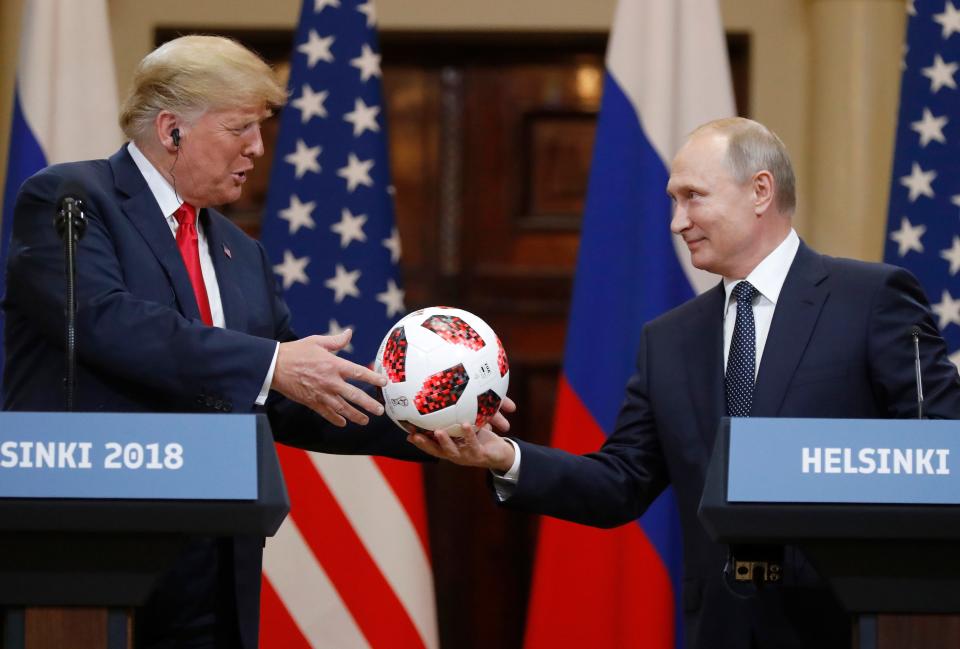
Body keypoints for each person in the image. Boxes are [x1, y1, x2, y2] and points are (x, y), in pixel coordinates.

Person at [1, 35, 508, 649]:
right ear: (171, 130)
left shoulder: (242, 253)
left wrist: (426, 421)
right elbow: (109, 322)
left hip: (219, 552)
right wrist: (272, 361)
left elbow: (291, 395)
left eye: (260, 128)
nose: (258, 148)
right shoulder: (72, 200)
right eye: (240, 128)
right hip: (94, 548)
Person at [409, 117, 960, 649]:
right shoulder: (669, 340)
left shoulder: (870, 300)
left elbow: (941, 453)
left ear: (760, 191)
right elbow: (619, 483)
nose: (677, 221)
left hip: (855, 626)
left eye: (693, 196)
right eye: (675, 201)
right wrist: (502, 456)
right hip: (719, 628)